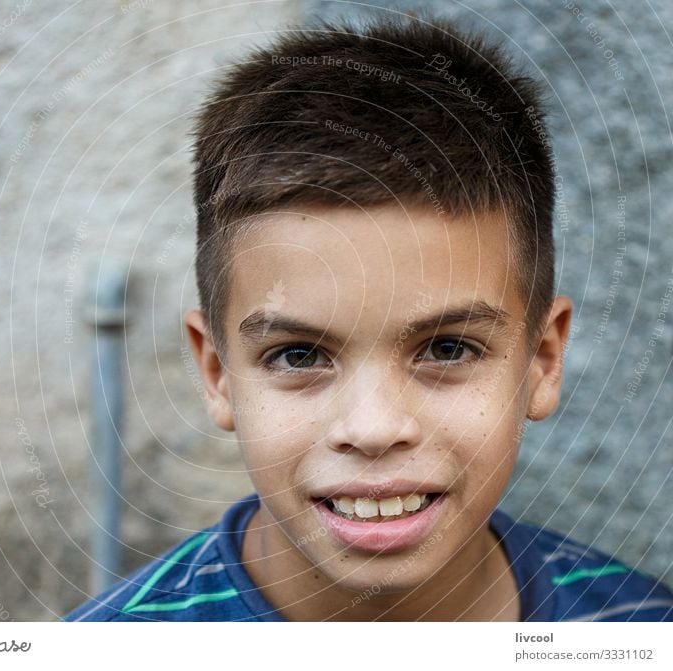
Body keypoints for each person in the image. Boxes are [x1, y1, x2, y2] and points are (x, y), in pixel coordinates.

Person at [65, 17, 673, 621]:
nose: (375, 429)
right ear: (217, 372)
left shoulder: (639, 622)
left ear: (542, 360)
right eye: (298, 355)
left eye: (447, 348)